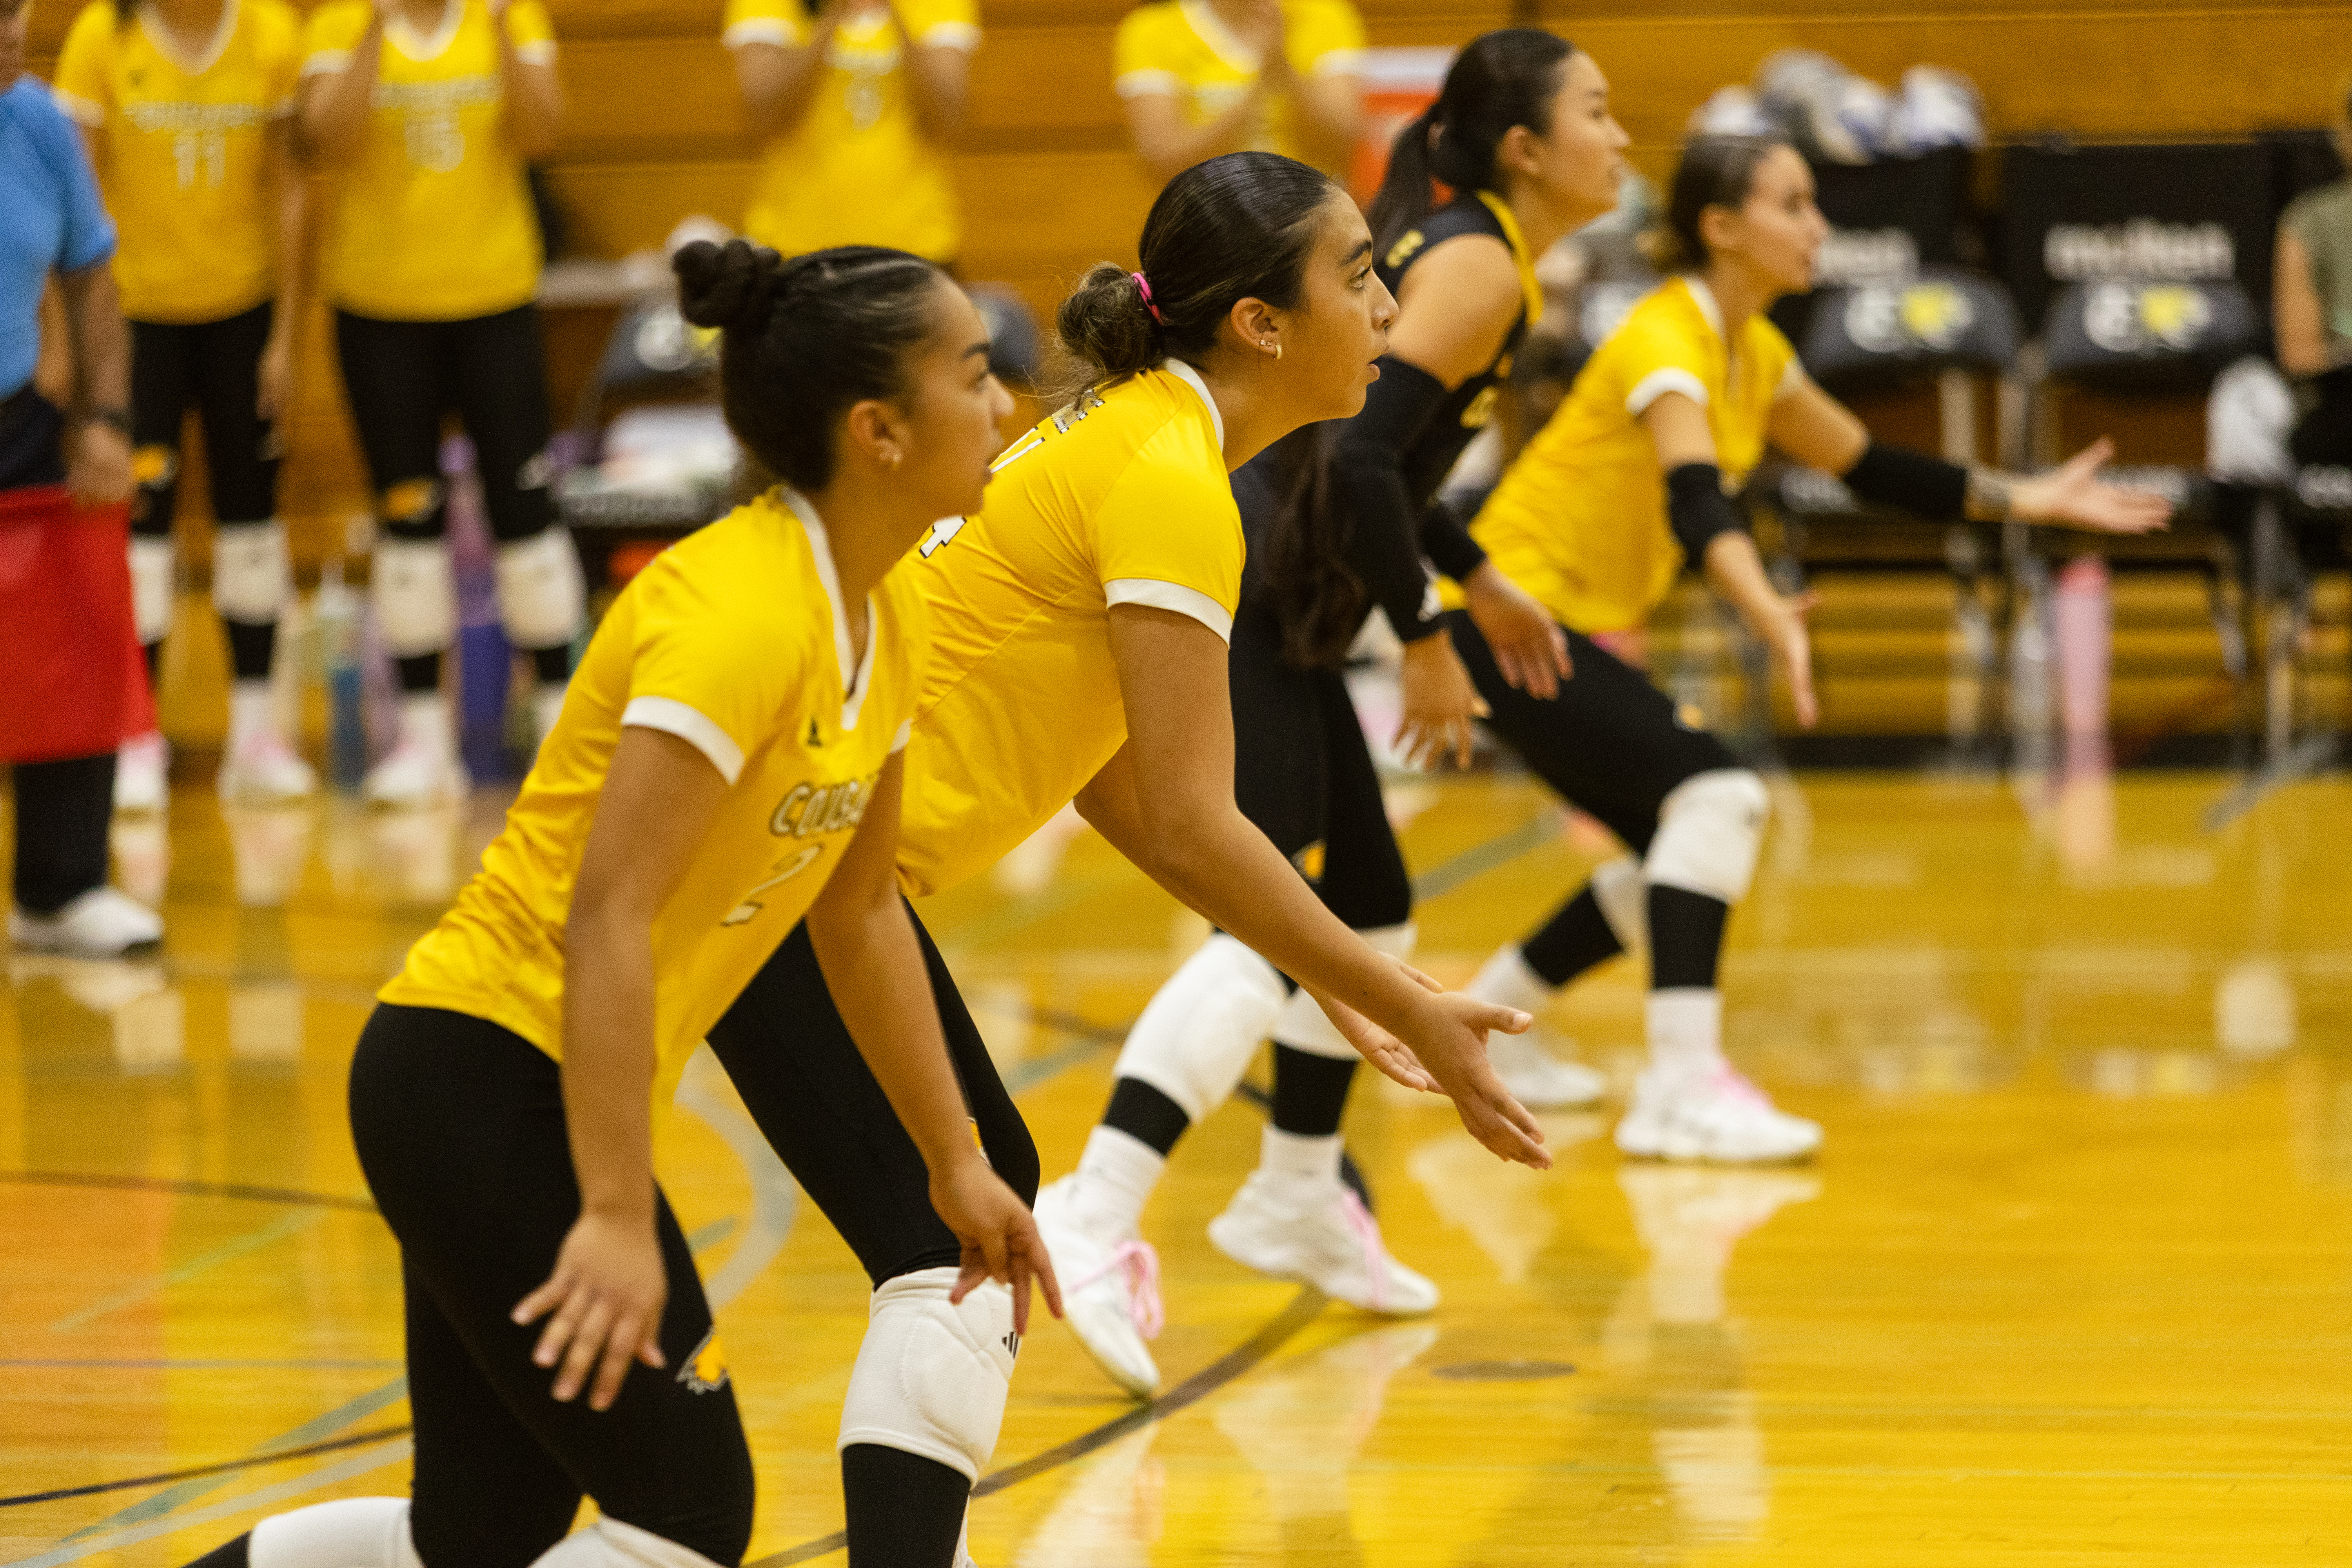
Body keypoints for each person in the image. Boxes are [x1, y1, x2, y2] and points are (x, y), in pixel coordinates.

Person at [710, 151, 1551, 1560]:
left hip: (795, 877)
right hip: (785, 879)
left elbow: (1123, 791)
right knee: (962, 1248)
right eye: (1356, 272)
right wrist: (1406, 999)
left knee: (960, 1242)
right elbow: (1196, 811)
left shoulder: (1144, 436)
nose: (1392, 300)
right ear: (1259, 326)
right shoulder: (1167, 471)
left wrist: (1333, 979)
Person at [170, 239, 1058, 1568]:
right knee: (692, 1513)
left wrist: (955, 1159)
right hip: (476, 1075)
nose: (1006, 410)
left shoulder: (889, 614)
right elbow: (610, 913)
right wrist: (613, 1213)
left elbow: (861, 915)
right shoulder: (735, 614)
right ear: (878, 431)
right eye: (978, 377)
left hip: (502, 1094)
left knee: (486, 1532)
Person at [1034, 29, 1626, 1400]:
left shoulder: (1476, 251)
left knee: (1373, 900)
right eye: (1598, 111)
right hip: (1250, 588)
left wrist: (1471, 577)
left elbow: (1390, 470)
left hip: (1295, 602)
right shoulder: (1476, 266)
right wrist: (1429, 631)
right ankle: (1097, 1203)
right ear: (1525, 147)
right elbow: (1357, 458)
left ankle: (1297, 1189)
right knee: (1272, 913)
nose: (1621, 136)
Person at [1448, 132, 2169, 1161]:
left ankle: (1494, 1027)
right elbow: (1700, 502)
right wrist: (1766, 609)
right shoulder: (1667, 342)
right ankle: (1680, 1088)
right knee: (1720, 798)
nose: (1818, 228)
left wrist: (2031, 497)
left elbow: (1872, 466)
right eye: (1794, 206)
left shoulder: (1758, 349)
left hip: (1528, 621)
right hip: (1498, 616)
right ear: (1722, 227)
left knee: (1676, 850)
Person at [299, 0, 582, 807]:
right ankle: (424, 741)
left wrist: (495, 29)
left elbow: (541, 133)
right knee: (407, 521)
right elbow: (326, 141)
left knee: (527, 514)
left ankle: (559, 724)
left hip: (494, 302)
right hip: (380, 311)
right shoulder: (341, 25)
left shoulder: (510, 17)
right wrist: (373, 32)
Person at [54, 0, 314, 811]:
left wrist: (286, 336)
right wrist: (83, 352)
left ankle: (256, 736)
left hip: (242, 313)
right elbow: (78, 205)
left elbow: (295, 192)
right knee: (141, 536)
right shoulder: (105, 37)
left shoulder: (273, 34)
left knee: (252, 526)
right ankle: (137, 736)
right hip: (139, 322)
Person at [0, 0, 155, 956]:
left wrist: (104, 418)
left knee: (71, 629)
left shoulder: (42, 122)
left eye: (14, 12)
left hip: (22, 423)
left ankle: (61, 889)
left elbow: (92, 273)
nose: (8, 32)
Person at [724, 0, 977, 265]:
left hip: (915, 244)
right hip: (795, 244)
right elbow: (766, 118)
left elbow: (950, 122)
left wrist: (896, 16)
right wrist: (833, 15)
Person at [2207, 84, 2352, 514]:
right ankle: (2274, 568)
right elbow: (2301, 354)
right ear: (2343, 134)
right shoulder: (2310, 221)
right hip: (2339, 405)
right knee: (2241, 398)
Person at [1114, 0, 1363, 184]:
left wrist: (1282, 67)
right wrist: (1258, 89)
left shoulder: (1326, 16)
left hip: (1313, 214)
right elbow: (1163, 160)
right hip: (1211, 217)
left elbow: (1343, 140)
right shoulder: (1151, 30)